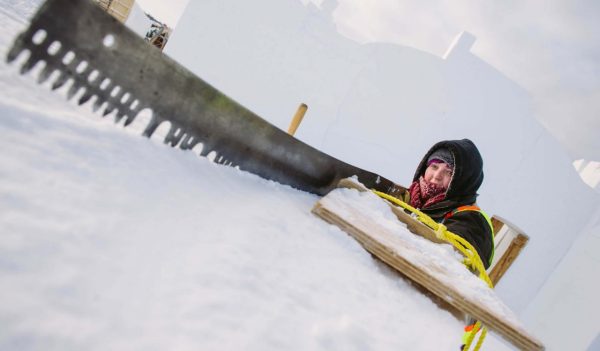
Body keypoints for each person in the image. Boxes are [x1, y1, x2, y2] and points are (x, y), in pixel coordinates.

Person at [402, 139, 494, 269]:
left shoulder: (472, 222)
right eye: (434, 166)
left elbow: (447, 265)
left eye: (449, 172)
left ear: (462, 182)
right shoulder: (408, 198)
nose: (437, 176)